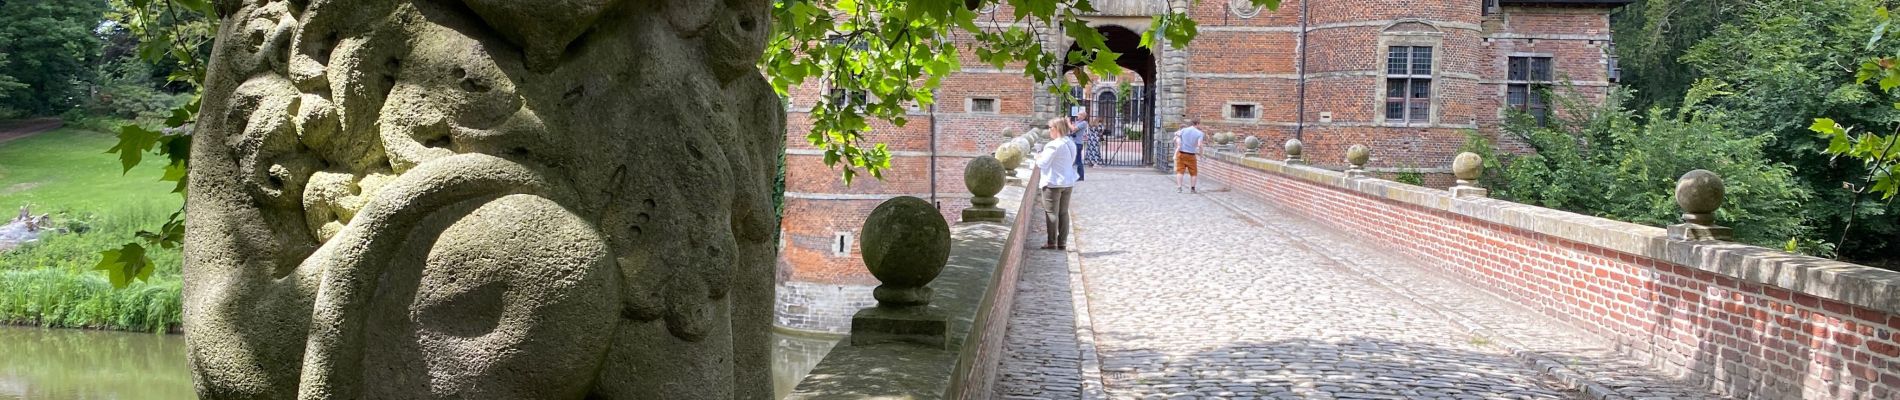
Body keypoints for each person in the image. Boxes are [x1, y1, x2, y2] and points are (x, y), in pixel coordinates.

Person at [1034, 117, 1080, 250]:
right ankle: (1062, 242)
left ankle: (1051, 241)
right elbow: (1070, 161)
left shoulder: (1053, 145)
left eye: (1050, 128)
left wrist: (1038, 155)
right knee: (1063, 213)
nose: (1049, 131)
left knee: (1051, 212)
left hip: (1053, 182)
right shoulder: (1070, 142)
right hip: (1068, 181)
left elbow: (1042, 163)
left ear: (1056, 129)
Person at [1173, 118, 1205, 193]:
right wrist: (1201, 155)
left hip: (1181, 153)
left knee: (1180, 171)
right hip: (1191, 155)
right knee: (1193, 172)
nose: (1201, 125)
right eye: (1200, 124)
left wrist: (1177, 144)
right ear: (1197, 124)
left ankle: (1179, 187)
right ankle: (1192, 188)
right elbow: (1200, 145)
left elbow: (1176, 135)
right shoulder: (1200, 133)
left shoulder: (1184, 130)